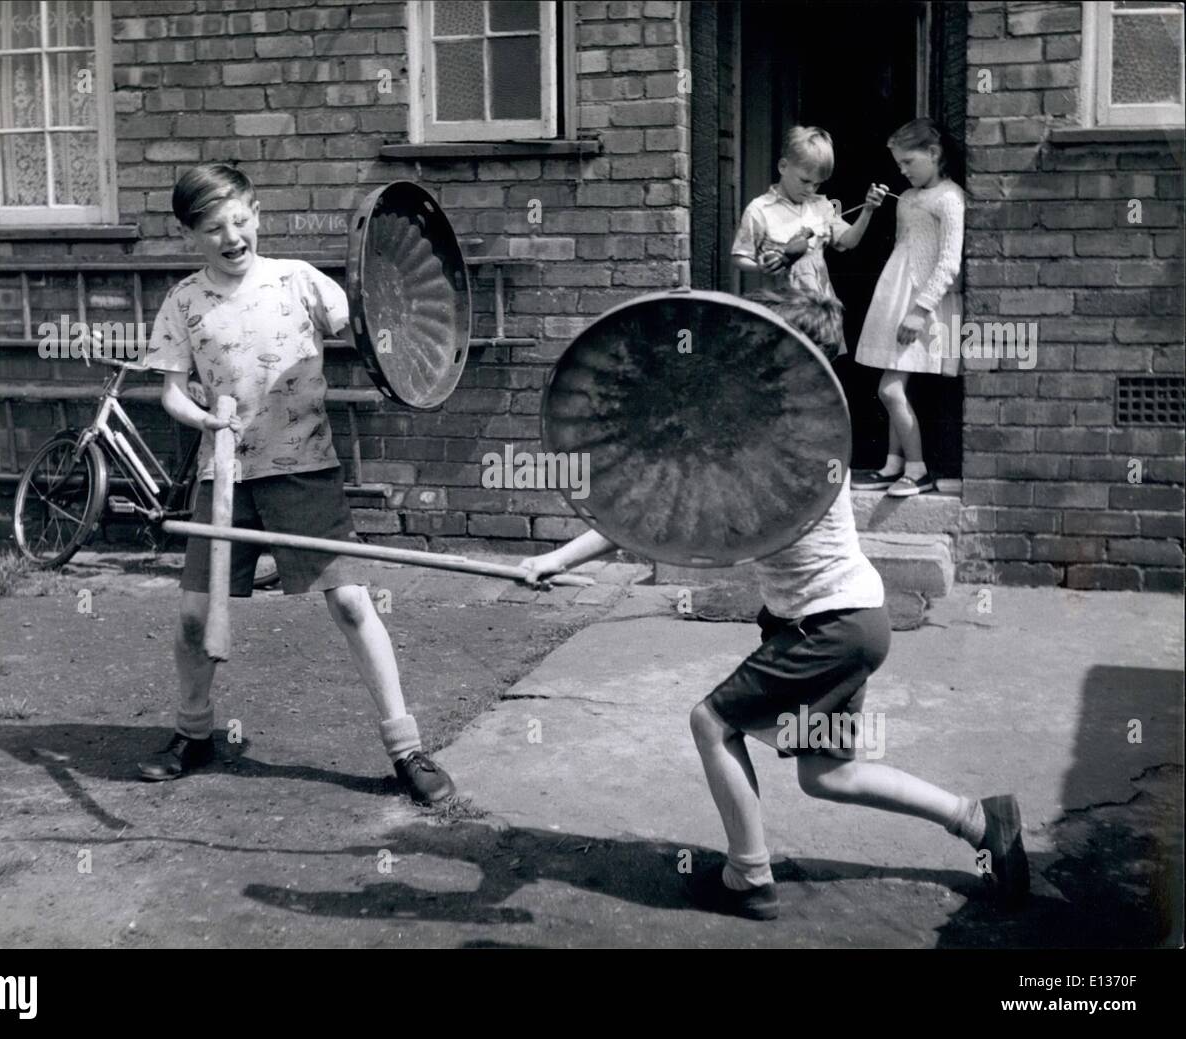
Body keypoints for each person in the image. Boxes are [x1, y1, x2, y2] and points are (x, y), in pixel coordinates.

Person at [518, 290, 1029, 920]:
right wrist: (555, 562)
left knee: (711, 723)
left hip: (831, 626)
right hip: (852, 620)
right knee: (829, 775)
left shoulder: (781, 450)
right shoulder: (782, 434)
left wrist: (561, 557)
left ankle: (748, 877)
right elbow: (651, 508)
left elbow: (654, 513)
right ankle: (982, 822)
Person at [136, 163, 455, 805]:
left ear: (257, 213)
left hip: (306, 468)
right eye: (212, 228)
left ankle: (407, 750)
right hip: (224, 476)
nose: (230, 237)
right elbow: (171, 392)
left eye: (238, 220)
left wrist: (414, 350)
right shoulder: (184, 302)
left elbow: (376, 326)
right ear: (191, 234)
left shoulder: (298, 281)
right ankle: (193, 734)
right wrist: (203, 418)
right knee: (196, 618)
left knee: (351, 603)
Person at [853, 118, 965, 497]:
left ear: (933, 154)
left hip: (921, 305)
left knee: (890, 389)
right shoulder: (911, 197)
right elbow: (905, 247)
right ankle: (892, 464)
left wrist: (920, 310)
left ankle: (917, 471)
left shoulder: (950, 198)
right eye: (899, 164)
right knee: (893, 381)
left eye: (908, 162)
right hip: (896, 297)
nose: (902, 170)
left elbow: (949, 262)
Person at [731, 126, 886, 355]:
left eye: (817, 183)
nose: (810, 189)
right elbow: (739, 257)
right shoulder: (760, 209)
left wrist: (868, 210)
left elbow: (849, 241)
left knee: (819, 366)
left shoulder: (822, 206)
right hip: (782, 307)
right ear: (783, 166)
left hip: (819, 311)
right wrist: (760, 265)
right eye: (805, 181)